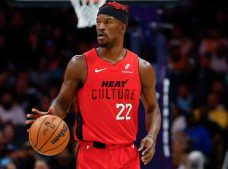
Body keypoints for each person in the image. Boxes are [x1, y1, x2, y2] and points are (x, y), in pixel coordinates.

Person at [25, 1, 161, 169]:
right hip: (91, 156)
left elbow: (153, 108)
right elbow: (62, 102)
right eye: (98, 22)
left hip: (127, 155)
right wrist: (51, 116)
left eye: (107, 21)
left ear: (122, 27)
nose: (101, 27)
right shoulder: (80, 64)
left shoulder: (142, 68)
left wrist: (152, 136)